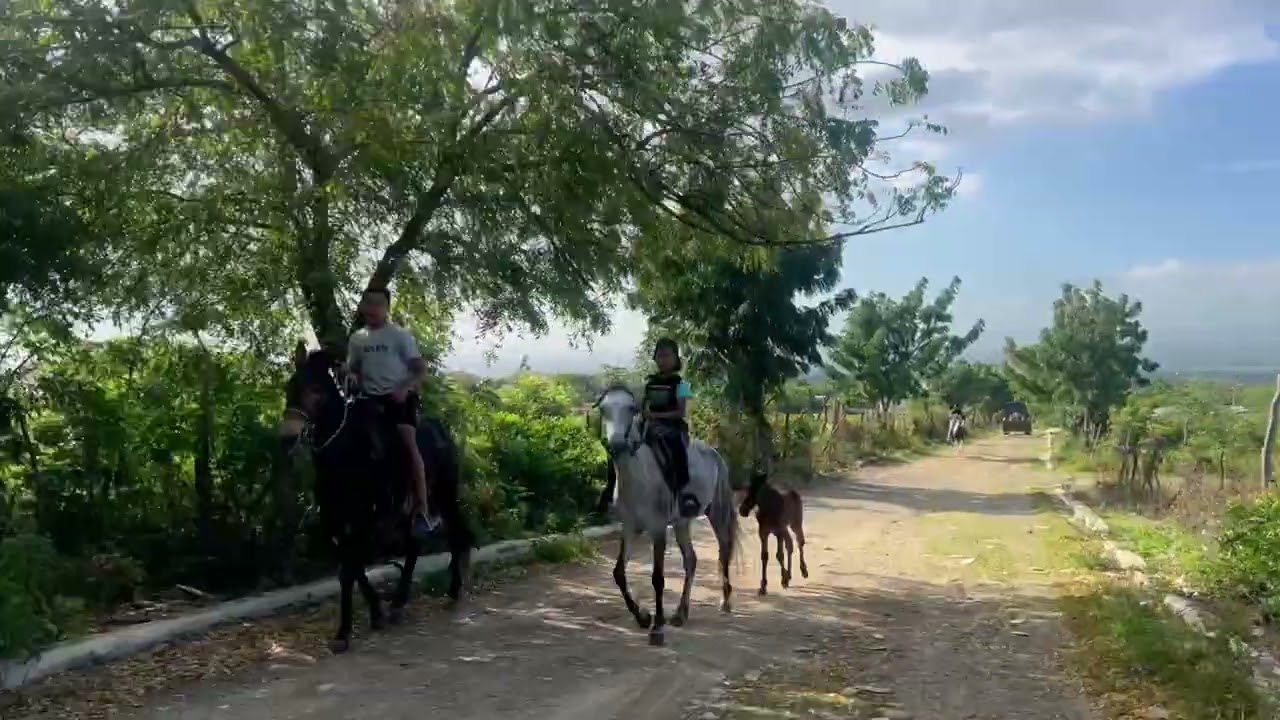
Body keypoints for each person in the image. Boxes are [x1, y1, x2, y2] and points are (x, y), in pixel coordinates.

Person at [346, 287, 439, 539]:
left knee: (408, 443)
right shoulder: (357, 339)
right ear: (362, 307)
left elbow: (420, 369)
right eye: (368, 303)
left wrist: (405, 388)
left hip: (399, 400)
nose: (373, 308)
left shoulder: (399, 336)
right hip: (368, 401)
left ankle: (422, 510)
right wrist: (351, 376)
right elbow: (354, 368)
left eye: (378, 304)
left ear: (387, 307)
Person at [642, 338, 700, 518]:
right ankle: (612, 491)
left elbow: (680, 412)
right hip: (650, 425)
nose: (663, 359)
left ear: (676, 359)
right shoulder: (649, 383)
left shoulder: (682, 385)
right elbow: (644, 406)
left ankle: (685, 494)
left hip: (673, 426)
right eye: (660, 355)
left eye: (667, 355)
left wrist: (657, 416)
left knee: (675, 445)